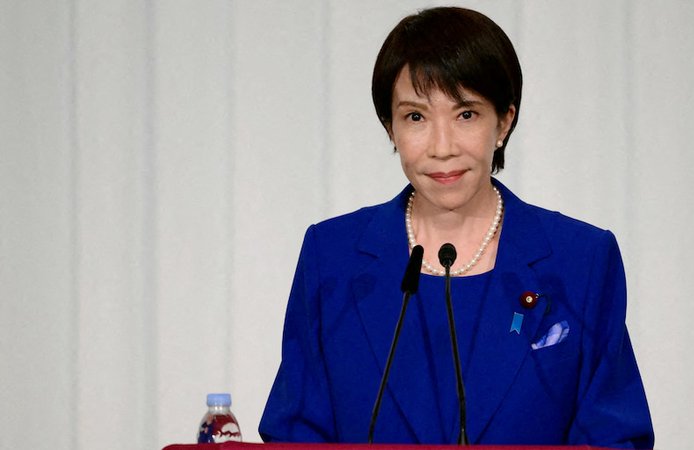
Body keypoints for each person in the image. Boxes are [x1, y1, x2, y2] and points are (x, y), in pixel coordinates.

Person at [259, 6, 654, 448]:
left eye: (466, 114)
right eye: (416, 117)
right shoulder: (332, 256)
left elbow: (614, 435)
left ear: (503, 121)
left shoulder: (581, 259)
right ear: (390, 128)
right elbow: (294, 432)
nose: (442, 147)